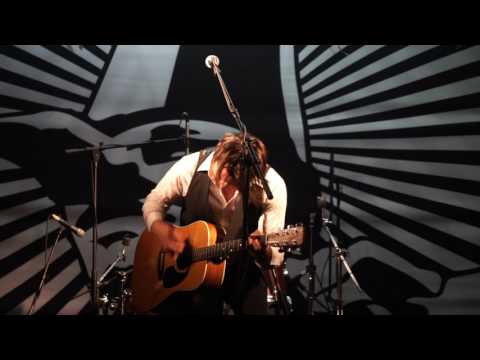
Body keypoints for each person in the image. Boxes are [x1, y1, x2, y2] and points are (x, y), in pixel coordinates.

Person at [142, 132, 287, 315]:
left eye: (232, 183)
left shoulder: (272, 185)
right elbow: (153, 201)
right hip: (193, 274)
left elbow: (273, 254)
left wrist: (262, 251)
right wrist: (159, 228)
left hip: (242, 270)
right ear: (217, 152)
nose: (222, 184)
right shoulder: (191, 165)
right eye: (219, 174)